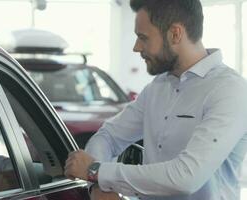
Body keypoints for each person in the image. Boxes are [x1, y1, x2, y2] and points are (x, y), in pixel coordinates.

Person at [64, 0, 247, 200]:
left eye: (143, 37)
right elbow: (107, 137)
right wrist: (98, 185)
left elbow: (185, 177)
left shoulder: (230, 90)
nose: (136, 47)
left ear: (175, 34)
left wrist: (96, 171)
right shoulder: (156, 88)